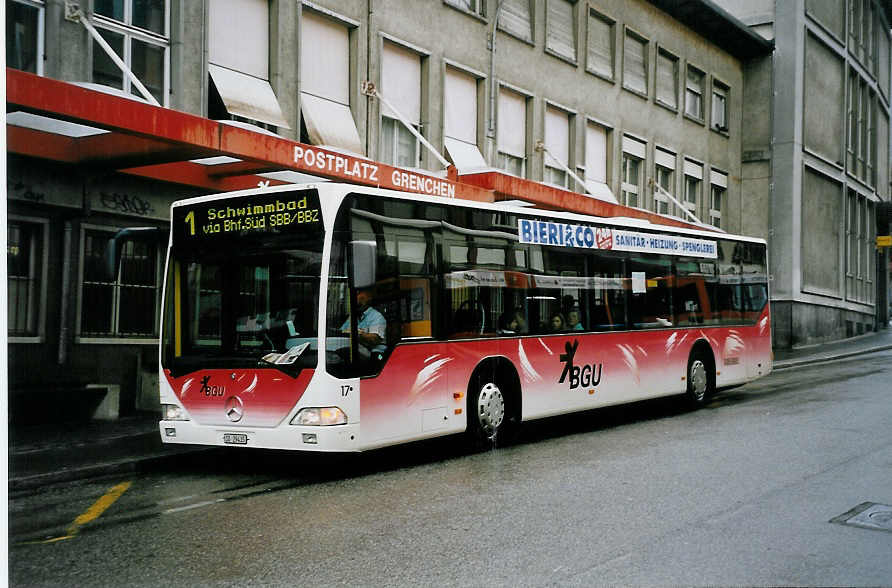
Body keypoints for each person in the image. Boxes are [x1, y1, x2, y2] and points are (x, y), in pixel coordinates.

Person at [340, 287, 387, 360]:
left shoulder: (377, 316)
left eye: (360, 302)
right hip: (358, 349)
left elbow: (374, 339)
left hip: (376, 353)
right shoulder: (353, 316)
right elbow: (342, 331)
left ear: (366, 302)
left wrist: (358, 333)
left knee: (376, 357)